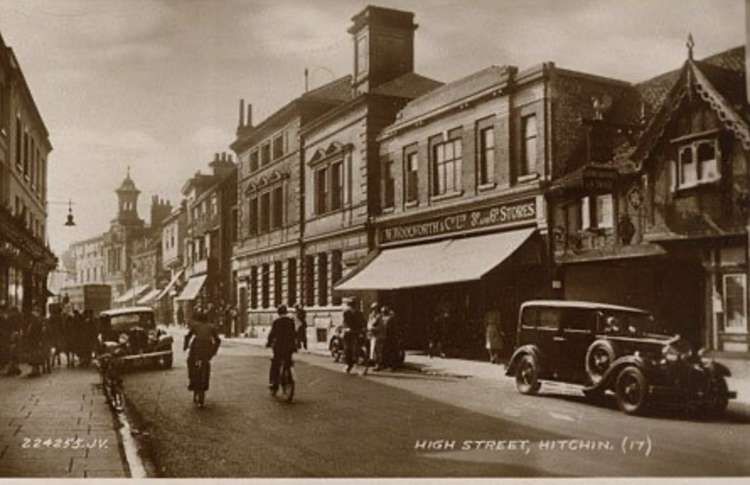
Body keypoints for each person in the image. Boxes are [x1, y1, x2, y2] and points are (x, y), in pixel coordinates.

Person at [183, 310, 221, 406]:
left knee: (190, 362)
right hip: (207, 350)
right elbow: (218, 340)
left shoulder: (195, 326)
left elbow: (187, 336)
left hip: (196, 349)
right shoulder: (211, 327)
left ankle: (192, 381)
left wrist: (185, 346)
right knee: (206, 366)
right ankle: (204, 387)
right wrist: (213, 351)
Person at [266, 305, 297, 393]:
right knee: (288, 362)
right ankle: (289, 377)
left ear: (278, 313)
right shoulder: (291, 321)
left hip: (279, 347)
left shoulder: (277, 322)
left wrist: (268, 343)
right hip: (290, 347)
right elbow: (294, 334)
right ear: (286, 312)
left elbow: (272, 334)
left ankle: (273, 383)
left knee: (275, 364)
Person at [342, 298, 366, 374]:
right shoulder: (346, 313)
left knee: (356, 350)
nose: (352, 307)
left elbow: (363, 322)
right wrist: (346, 328)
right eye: (350, 305)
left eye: (353, 305)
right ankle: (348, 365)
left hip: (356, 333)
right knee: (347, 349)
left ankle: (358, 365)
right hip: (348, 334)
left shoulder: (359, 313)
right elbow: (345, 322)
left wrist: (363, 329)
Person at [366, 303, 385, 370]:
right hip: (372, 335)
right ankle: (374, 363)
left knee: (377, 350)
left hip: (378, 336)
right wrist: (369, 328)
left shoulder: (379, 317)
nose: (374, 310)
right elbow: (368, 324)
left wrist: (372, 328)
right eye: (373, 309)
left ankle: (378, 365)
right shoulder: (371, 316)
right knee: (373, 350)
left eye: (375, 309)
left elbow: (381, 327)